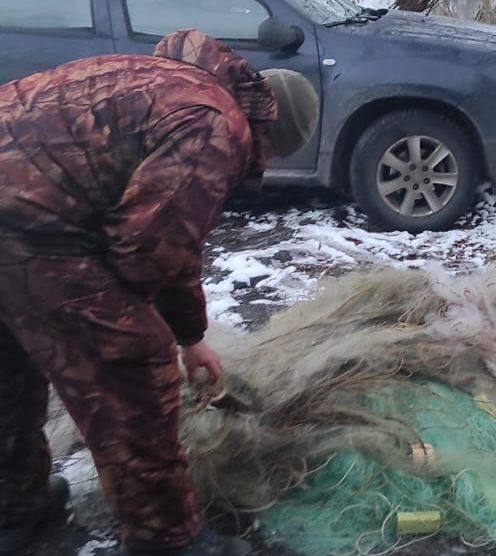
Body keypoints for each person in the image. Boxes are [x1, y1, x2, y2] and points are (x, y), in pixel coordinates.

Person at [0, 29, 318, 556]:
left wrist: (191, 334)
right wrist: (161, 336)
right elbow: (151, 248)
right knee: (135, 368)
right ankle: (166, 540)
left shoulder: (166, 80)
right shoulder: (215, 122)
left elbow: (153, 234)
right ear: (272, 130)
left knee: (7, 371)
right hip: (31, 234)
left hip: (24, 215)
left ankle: (14, 512)